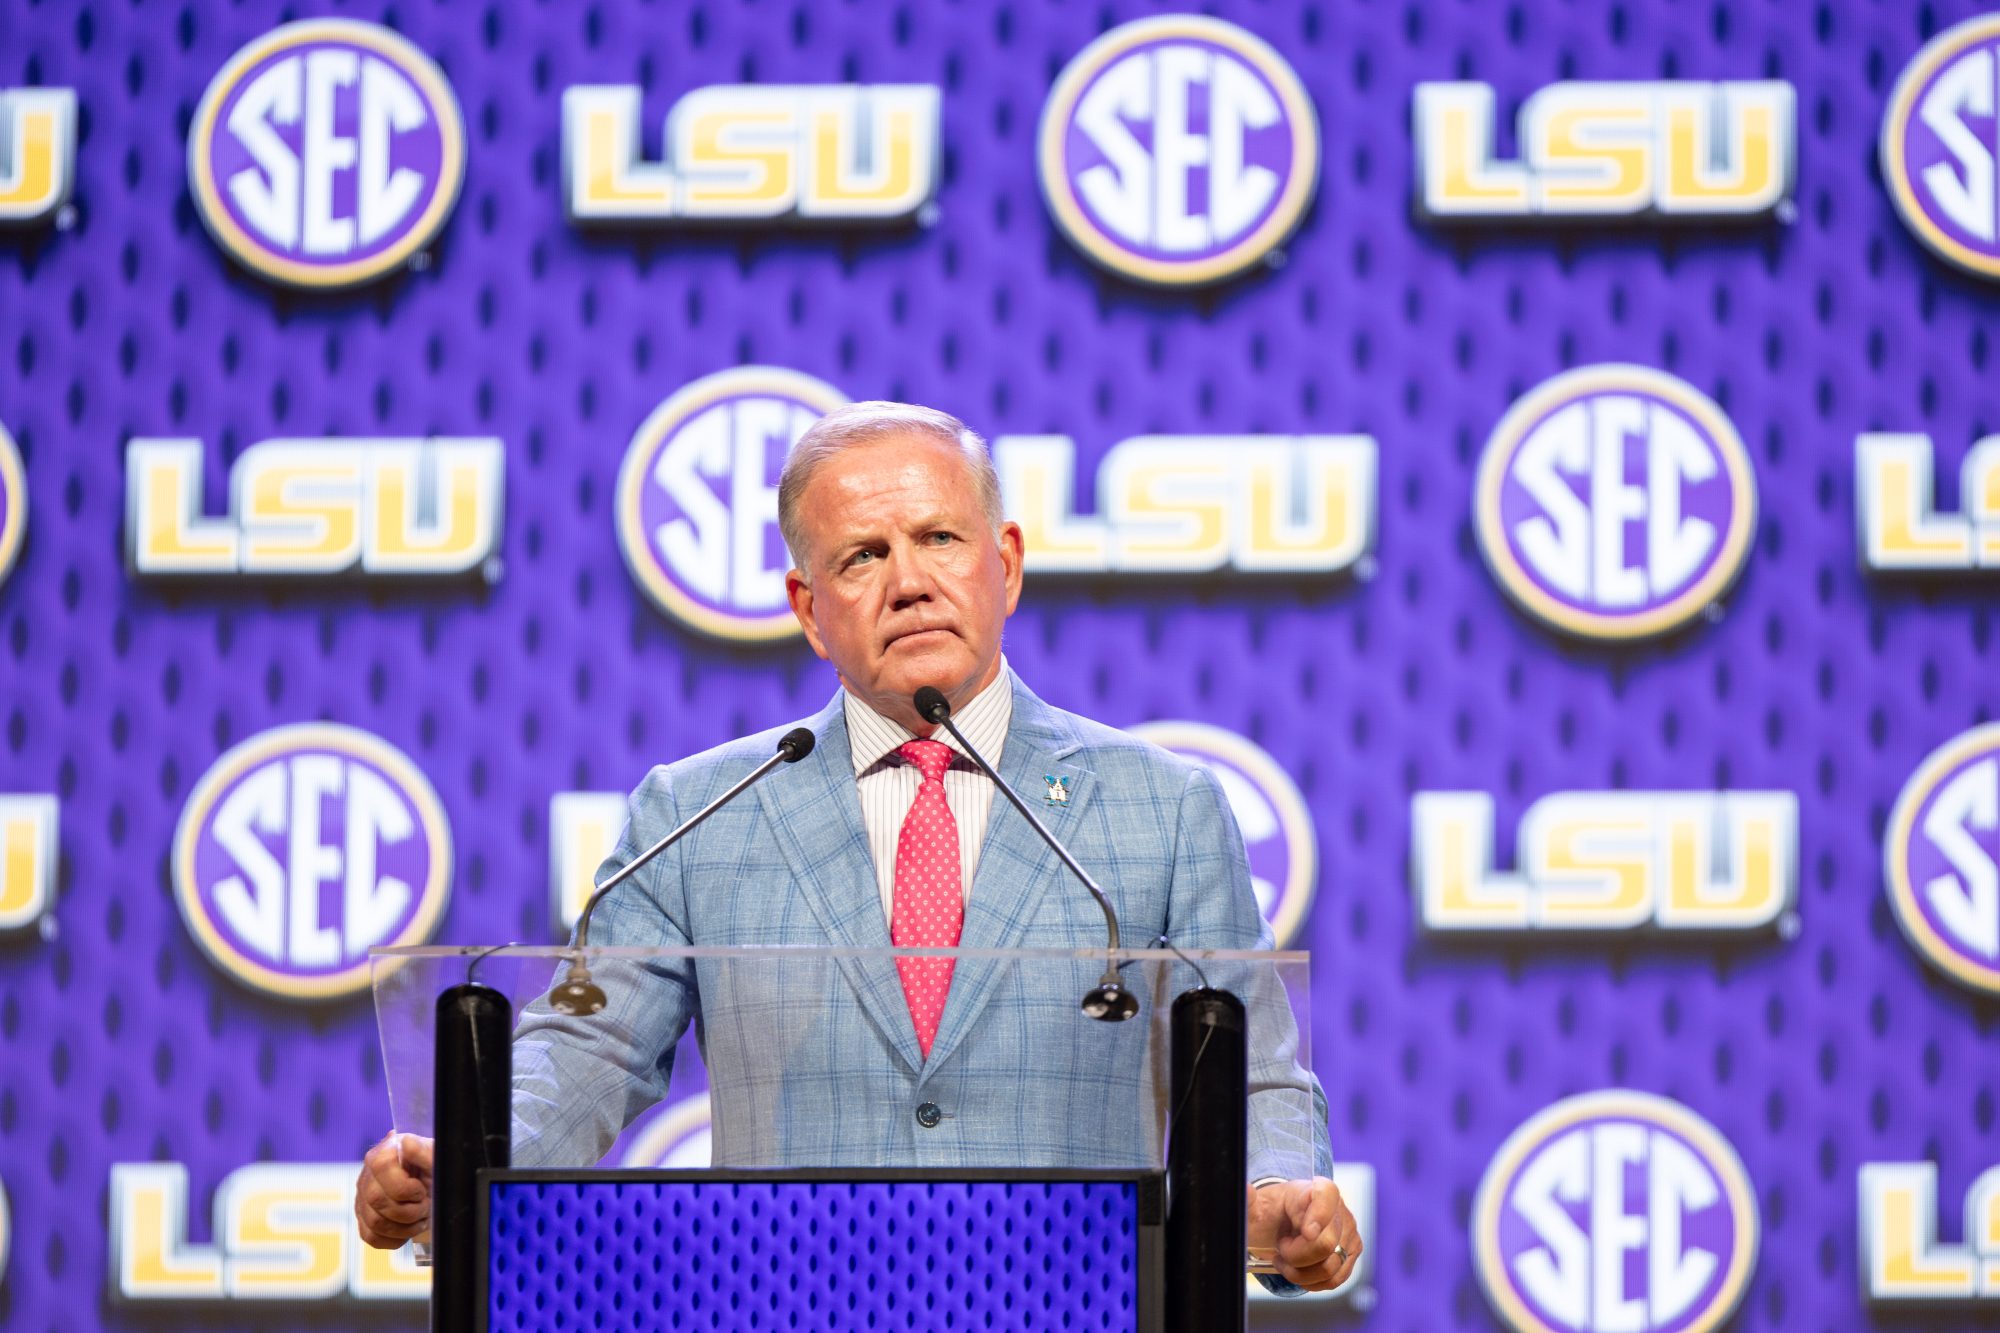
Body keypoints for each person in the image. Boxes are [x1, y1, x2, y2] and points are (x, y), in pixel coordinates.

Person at [356, 401, 1362, 1293]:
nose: (909, 582)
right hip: (793, 1301)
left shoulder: (1164, 807)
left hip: (1072, 1302)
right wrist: (465, 1164)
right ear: (809, 608)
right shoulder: (698, 810)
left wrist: (1277, 1194)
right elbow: (592, 1042)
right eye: (862, 556)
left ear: (1005, 564)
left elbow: (1250, 1072)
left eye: (939, 538)